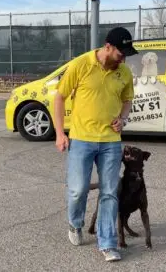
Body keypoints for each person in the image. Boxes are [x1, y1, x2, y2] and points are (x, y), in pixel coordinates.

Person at [54, 27, 138, 262]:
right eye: (121, 53)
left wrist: (123, 119)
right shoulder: (81, 65)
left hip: (110, 142)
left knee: (110, 192)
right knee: (78, 189)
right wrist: (60, 133)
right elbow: (59, 97)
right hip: (81, 139)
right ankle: (75, 223)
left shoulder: (124, 72)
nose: (123, 58)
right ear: (107, 46)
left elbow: (127, 100)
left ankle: (108, 242)